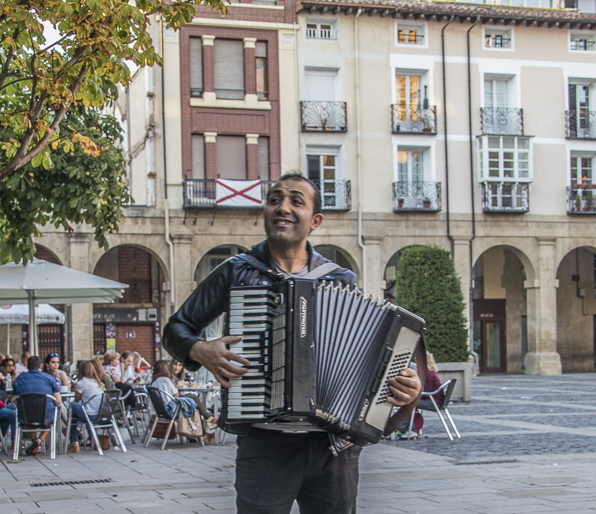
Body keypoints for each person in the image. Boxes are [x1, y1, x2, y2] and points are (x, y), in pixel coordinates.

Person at [163, 174, 423, 514]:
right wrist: (200, 350)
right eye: (274, 199)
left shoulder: (340, 279)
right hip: (265, 444)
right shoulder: (237, 272)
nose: (283, 207)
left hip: (333, 446)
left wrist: (407, 383)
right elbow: (175, 328)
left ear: (315, 220)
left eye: (296, 200)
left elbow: (367, 356)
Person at [151, 360, 217, 442]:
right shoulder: (165, 380)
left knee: (192, 400)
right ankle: (202, 432)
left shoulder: (155, 381)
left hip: (162, 410)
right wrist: (177, 387)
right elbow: (176, 396)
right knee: (193, 405)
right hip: (171, 410)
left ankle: (198, 433)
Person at [13, 356, 63, 456]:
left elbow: (15, 400)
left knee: (25, 414)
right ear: (41, 366)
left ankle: (35, 442)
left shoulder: (19, 379)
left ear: (27, 366)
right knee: (53, 418)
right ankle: (39, 440)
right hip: (46, 415)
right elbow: (58, 400)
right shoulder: (49, 378)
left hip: (26, 415)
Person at [69, 360, 105, 452]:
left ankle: (74, 441)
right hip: (100, 413)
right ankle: (91, 436)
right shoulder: (98, 382)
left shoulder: (81, 383)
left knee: (72, 407)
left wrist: (75, 387)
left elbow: (76, 399)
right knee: (85, 410)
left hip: (90, 414)